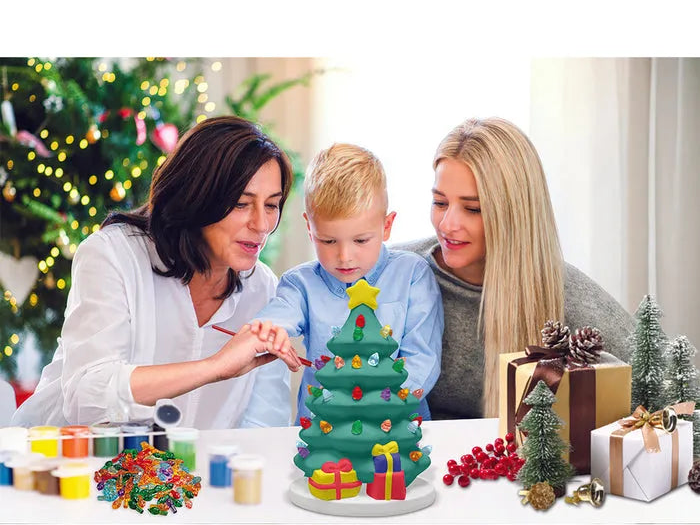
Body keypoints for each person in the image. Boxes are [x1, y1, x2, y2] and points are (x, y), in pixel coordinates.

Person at [12, 116, 302, 429]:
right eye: (242, 204)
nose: (261, 225)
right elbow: (88, 398)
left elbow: (263, 426)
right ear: (198, 196)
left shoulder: (263, 289)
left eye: (272, 205)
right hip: (58, 465)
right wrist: (214, 367)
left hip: (186, 476)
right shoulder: (113, 254)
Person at [395, 117, 635, 420]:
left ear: (514, 213)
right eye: (440, 202)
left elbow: (678, 389)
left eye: (473, 209)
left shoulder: (564, 292)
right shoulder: (392, 271)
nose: (447, 224)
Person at [251, 143, 444, 424]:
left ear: (386, 226)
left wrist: (384, 405)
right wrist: (268, 330)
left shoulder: (413, 275)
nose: (344, 257)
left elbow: (422, 360)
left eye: (361, 240)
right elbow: (277, 317)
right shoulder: (300, 283)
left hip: (398, 435)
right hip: (322, 435)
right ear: (309, 227)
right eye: (328, 241)